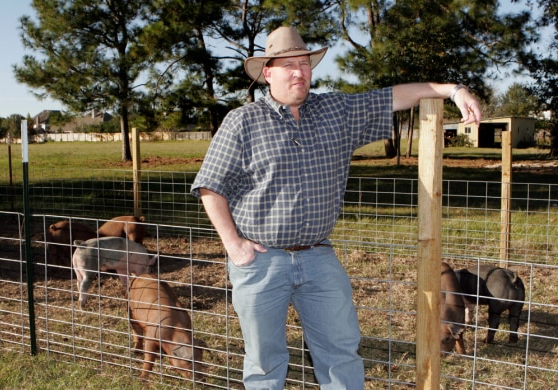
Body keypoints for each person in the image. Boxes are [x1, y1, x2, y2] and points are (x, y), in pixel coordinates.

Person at [191, 26, 481, 389]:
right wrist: (234, 245)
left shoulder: (336, 111)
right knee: (265, 362)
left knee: (341, 353)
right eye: (288, 66)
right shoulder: (242, 121)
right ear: (268, 73)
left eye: (305, 64)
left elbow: (397, 96)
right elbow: (210, 185)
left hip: (318, 259)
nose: (299, 72)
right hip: (261, 261)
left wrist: (455, 90)